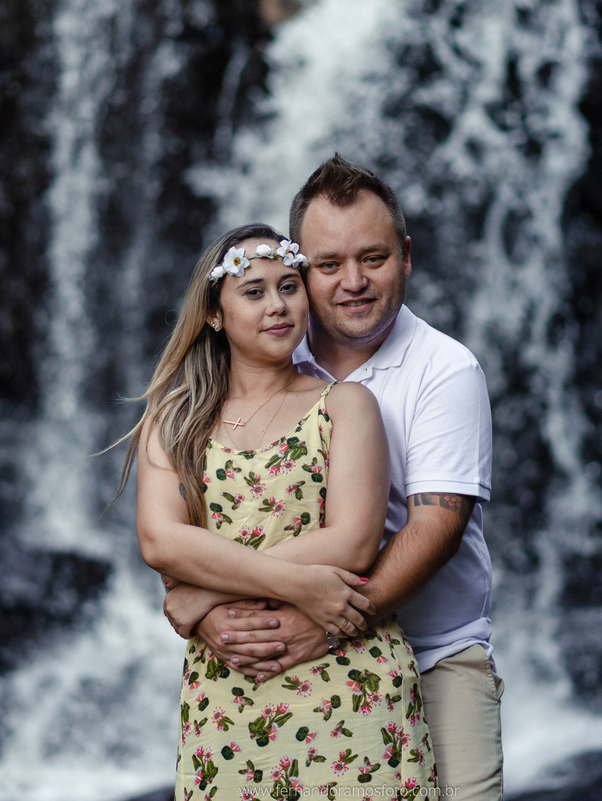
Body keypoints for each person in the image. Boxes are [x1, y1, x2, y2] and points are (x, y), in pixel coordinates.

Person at [166, 157, 503, 800]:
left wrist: (319, 624)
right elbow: (205, 494)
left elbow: (437, 526)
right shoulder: (267, 347)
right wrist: (212, 611)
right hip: (269, 654)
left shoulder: (444, 369)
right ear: (302, 271)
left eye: (373, 258)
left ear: (406, 256)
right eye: (327, 266)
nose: (353, 281)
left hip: (431, 655)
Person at [119, 222, 437, 799]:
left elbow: (353, 542)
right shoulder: (174, 423)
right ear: (214, 313)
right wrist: (299, 584)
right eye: (254, 291)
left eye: (289, 286)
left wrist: (205, 593)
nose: (278, 306)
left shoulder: (346, 403)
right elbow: (161, 544)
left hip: (352, 689)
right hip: (230, 697)